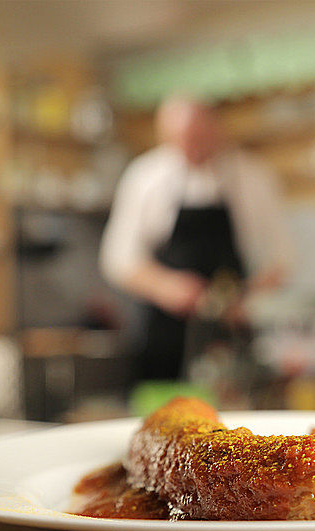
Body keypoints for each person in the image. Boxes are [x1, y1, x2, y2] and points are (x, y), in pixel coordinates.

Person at [100, 96, 291, 380]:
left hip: (229, 333)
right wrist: (165, 287)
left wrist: (245, 299)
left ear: (217, 130)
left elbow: (282, 259)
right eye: (183, 140)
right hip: (163, 336)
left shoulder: (252, 177)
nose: (193, 148)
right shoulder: (144, 177)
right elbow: (118, 259)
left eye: (200, 138)